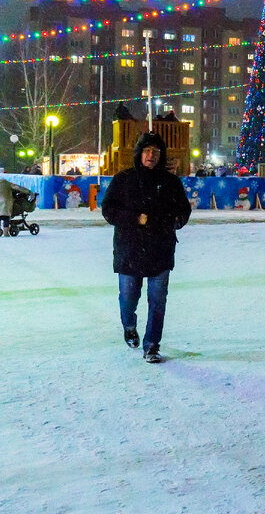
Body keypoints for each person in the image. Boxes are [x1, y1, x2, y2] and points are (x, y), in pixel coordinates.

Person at [100, 132, 192, 364]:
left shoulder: (171, 182)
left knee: (158, 299)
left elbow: (183, 210)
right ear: (139, 153)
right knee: (129, 296)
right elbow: (108, 210)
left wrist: (174, 222)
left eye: (156, 152)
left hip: (160, 250)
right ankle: (129, 325)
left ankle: (151, 345)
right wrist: (136, 219)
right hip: (129, 249)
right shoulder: (124, 179)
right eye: (147, 151)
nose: (151, 156)